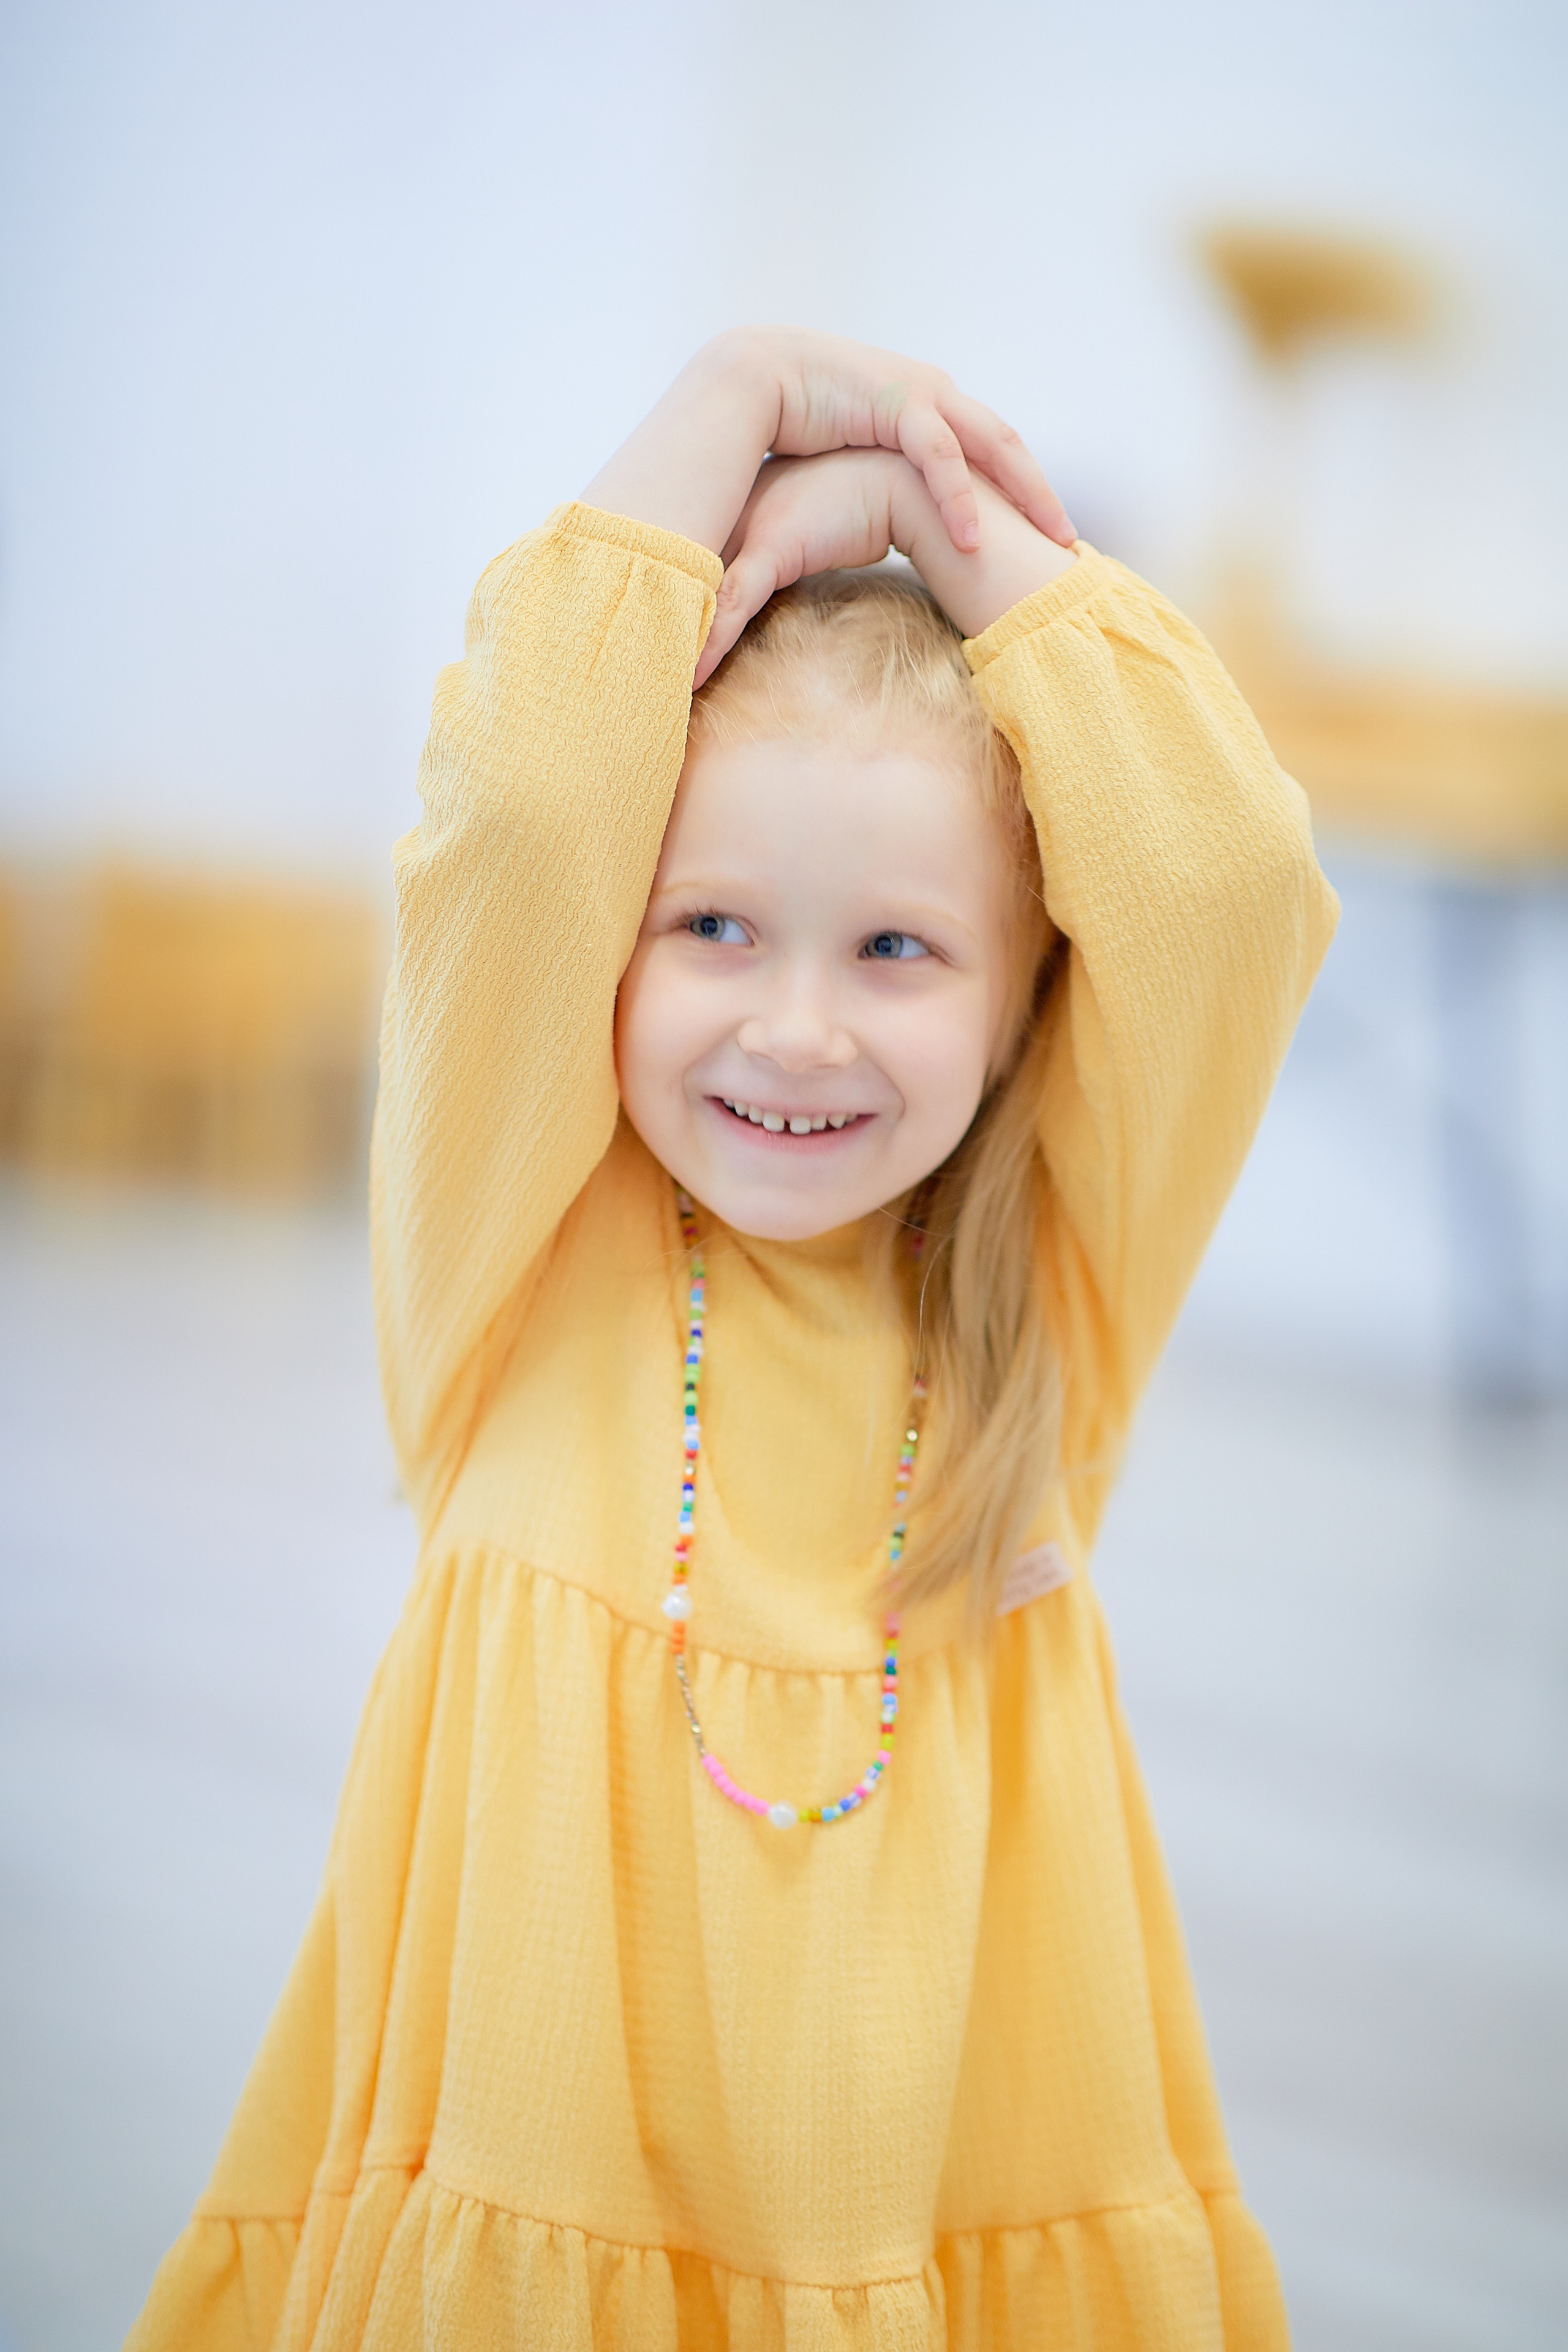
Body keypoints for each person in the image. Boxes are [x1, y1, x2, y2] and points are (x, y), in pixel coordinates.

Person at [129, 328, 1337, 2350]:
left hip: (936, 2200)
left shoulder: (1042, 1282)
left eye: (898, 948)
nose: (795, 1029)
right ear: (615, 941)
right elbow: (519, 817)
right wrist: (738, 406)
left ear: (1029, 1002)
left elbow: (1222, 884)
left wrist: (955, 537)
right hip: (544, 2186)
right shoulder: (521, 1241)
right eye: (710, 928)